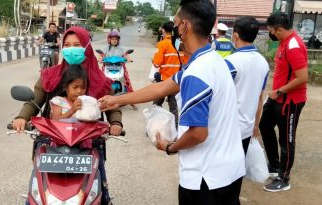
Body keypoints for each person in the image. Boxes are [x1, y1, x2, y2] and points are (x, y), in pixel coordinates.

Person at [99, 0, 245, 204]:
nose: (174, 29)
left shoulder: (197, 73)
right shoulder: (211, 60)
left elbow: (198, 133)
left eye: (176, 24)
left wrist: (170, 147)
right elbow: (162, 86)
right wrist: (118, 99)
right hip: (230, 170)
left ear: (185, 26)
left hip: (204, 179)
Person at [12, 26, 122, 205]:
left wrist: (116, 122)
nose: (72, 49)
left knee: (101, 186)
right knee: (37, 189)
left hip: (89, 142)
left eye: (77, 44)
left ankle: (105, 198)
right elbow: (34, 101)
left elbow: (112, 106)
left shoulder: (99, 79)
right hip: (51, 140)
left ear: (86, 46)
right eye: (68, 45)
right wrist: (22, 117)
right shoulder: (50, 75)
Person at [259, 13, 308, 192]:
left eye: (272, 31)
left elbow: (303, 77)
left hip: (290, 101)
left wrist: (279, 91)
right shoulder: (283, 43)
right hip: (276, 97)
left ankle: (283, 178)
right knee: (264, 126)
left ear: (279, 29)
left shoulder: (293, 46)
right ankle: (274, 165)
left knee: (286, 139)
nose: (271, 34)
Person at [224, 16, 270, 154]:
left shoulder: (230, 62)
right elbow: (259, 98)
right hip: (247, 128)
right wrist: (256, 125)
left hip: (227, 128)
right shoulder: (264, 63)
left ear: (235, 35)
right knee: (239, 168)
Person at [152, 21, 188, 126]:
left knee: (157, 103)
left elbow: (156, 63)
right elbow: (185, 62)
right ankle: (175, 127)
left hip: (164, 80)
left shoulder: (162, 44)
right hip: (176, 81)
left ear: (163, 30)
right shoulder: (181, 44)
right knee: (174, 106)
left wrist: (153, 60)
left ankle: (154, 125)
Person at [99, 30, 137, 109]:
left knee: (127, 82)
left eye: (116, 39)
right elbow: (101, 56)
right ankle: (99, 98)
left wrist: (129, 59)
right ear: (109, 40)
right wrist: (100, 59)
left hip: (119, 66)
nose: (114, 41)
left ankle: (132, 101)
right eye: (113, 39)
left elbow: (126, 55)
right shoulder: (105, 49)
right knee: (101, 82)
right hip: (107, 67)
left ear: (118, 40)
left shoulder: (121, 49)